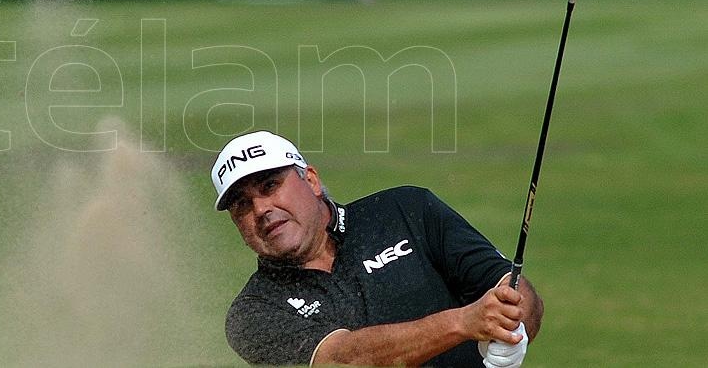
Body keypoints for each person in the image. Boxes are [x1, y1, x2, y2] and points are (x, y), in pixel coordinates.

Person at [210, 131, 543, 367]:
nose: (260, 209)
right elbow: (342, 359)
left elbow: (512, 291)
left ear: (310, 180)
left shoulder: (406, 210)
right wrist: (463, 323)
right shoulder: (252, 314)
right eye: (241, 204)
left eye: (270, 186)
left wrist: (514, 328)